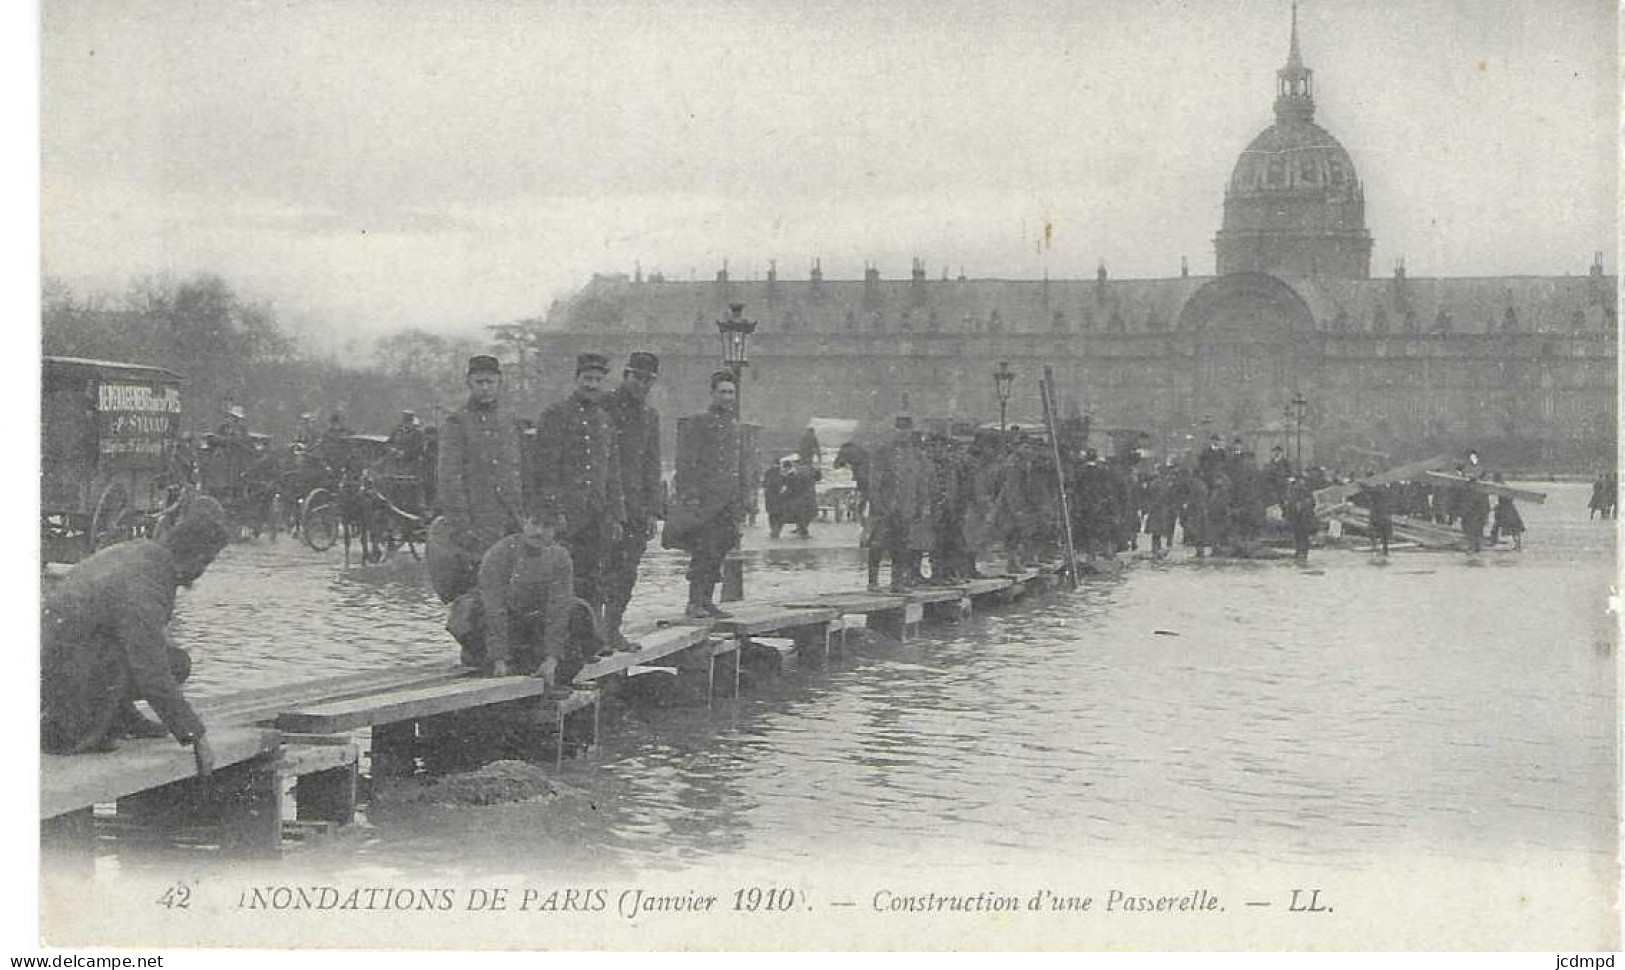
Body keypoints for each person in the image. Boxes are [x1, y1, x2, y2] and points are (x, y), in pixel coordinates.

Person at [41, 496, 232, 779]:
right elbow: (149, 669)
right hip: (63, 668)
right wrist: (195, 735)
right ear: (196, 557)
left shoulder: (144, 554)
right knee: (157, 662)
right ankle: (83, 727)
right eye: (207, 561)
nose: (203, 571)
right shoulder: (146, 585)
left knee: (175, 661)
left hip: (64, 653)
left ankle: (120, 716)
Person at [532, 353, 625, 623]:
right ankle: (556, 639)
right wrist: (553, 510)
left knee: (594, 577)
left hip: (596, 514)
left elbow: (612, 472)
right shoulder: (555, 415)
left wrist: (617, 514)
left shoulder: (605, 420)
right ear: (576, 379)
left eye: (598, 380)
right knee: (560, 577)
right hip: (565, 515)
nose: (592, 385)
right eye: (587, 379)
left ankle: (590, 637)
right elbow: (544, 468)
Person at [429, 355, 525, 602]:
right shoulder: (457, 423)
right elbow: (449, 479)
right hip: (476, 524)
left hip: (512, 521)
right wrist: (462, 528)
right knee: (480, 596)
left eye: (490, 382)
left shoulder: (510, 420)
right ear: (469, 383)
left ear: (499, 383)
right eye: (479, 382)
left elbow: (523, 468)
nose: (485, 388)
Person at [443, 516, 579, 689]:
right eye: (535, 523)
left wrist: (552, 658)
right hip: (500, 621)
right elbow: (494, 606)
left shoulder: (560, 557)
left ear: (555, 531)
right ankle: (484, 657)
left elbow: (559, 609)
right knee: (468, 610)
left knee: (578, 611)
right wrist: (498, 657)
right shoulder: (500, 552)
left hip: (532, 624)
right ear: (524, 523)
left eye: (547, 526)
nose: (539, 532)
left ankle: (551, 670)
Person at [666, 371, 750, 618]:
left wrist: (744, 498)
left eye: (731, 392)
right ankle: (694, 602)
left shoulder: (735, 427)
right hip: (705, 501)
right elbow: (686, 461)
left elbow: (740, 465)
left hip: (728, 502)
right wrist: (691, 495)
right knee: (704, 551)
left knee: (720, 549)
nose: (727, 397)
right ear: (712, 394)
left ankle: (707, 600)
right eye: (722, 392)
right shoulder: (699, 423)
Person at [601, 351, 662, 651]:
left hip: (636, 506)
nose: (642, 384)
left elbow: (652, 465)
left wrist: (653, 510)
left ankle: (611, 630)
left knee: (626, 573)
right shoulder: (604, 407)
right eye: (636, 377)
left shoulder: (650, 417)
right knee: (599, 570)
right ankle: (592, 634)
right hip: (604, 505)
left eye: (648, 379)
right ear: (625, 375)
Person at [1283, 477, 1318, 560]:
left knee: (1302, 536)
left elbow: (1312, 503)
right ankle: (1300, 552)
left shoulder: (1304, 492)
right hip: (1297, 518)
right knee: (1299, 536)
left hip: (1303, 518)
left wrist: (1302, 505)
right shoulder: (1292, 492)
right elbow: (1289, 504)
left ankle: (1302, 552)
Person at [1488, 474, 1525, 550]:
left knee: (1507, 527)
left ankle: (1494, 541)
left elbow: (1506, 499)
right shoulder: (1504, 486)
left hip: (1505, 510)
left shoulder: (1501, 487)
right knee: (1513, 528)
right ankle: (1518, 545)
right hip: (1508, 509)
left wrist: (1499, 506)